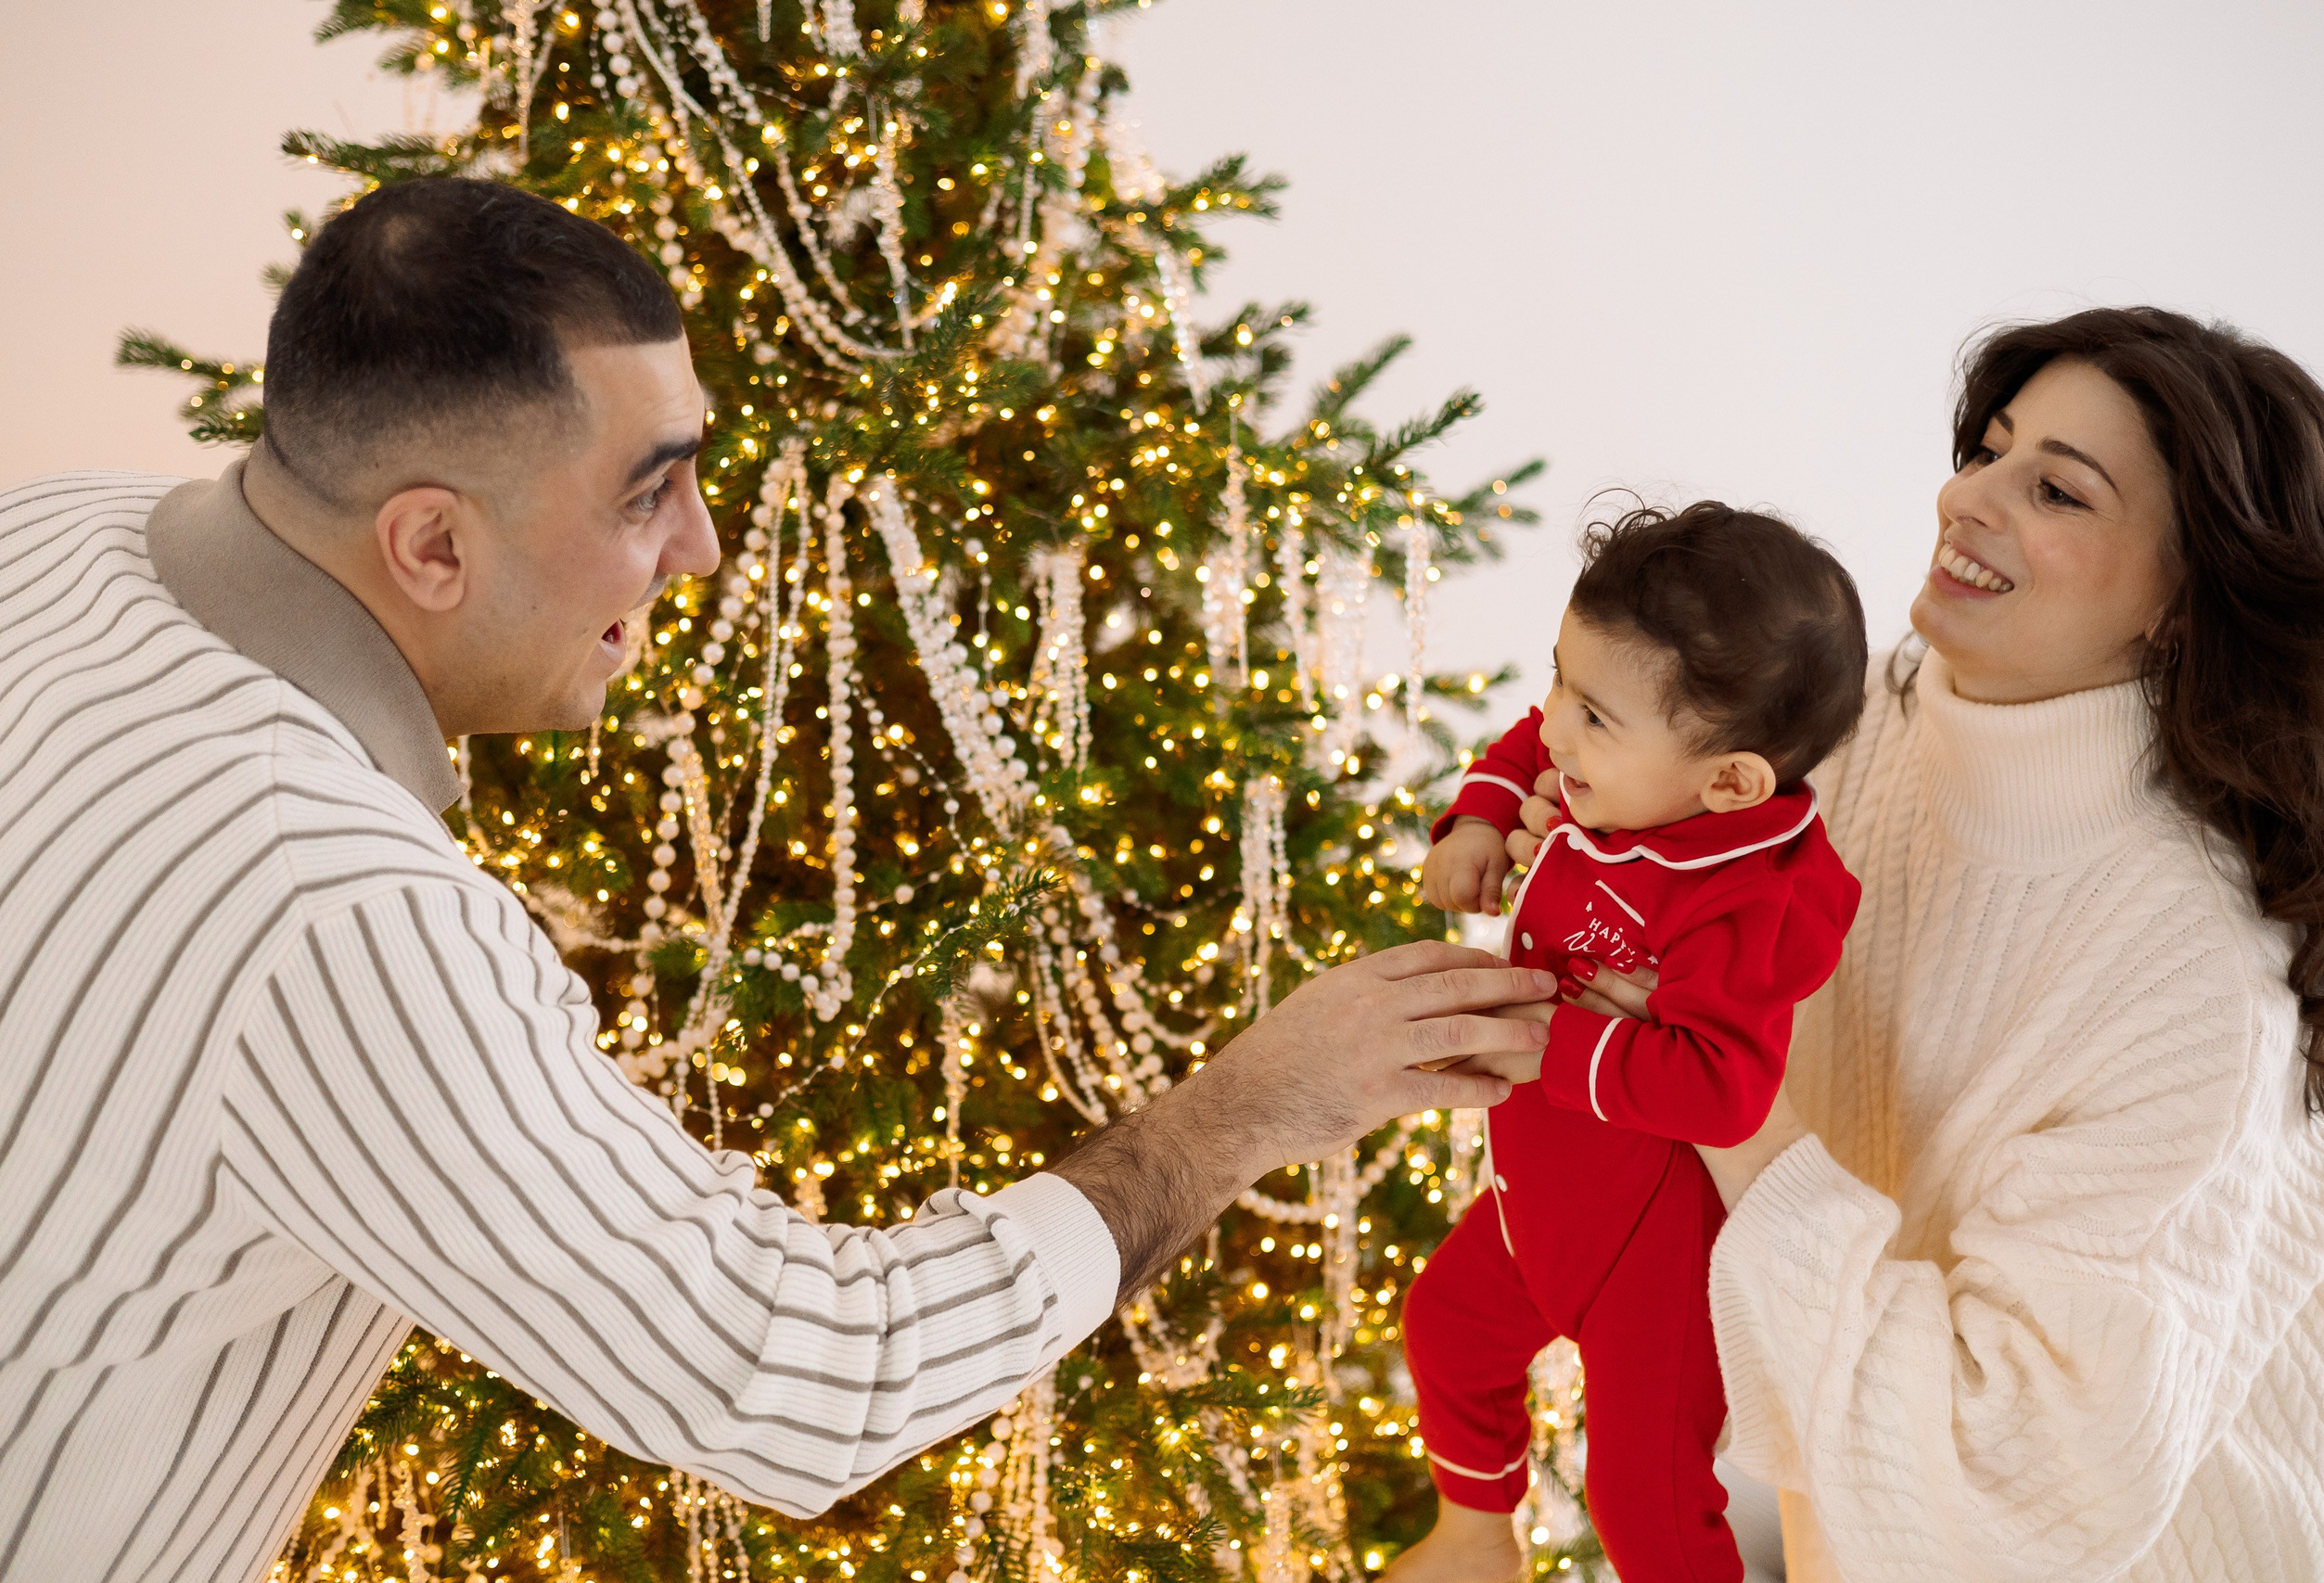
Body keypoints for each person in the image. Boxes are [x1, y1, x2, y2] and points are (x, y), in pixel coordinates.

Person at [0, 176, 1556, 1583]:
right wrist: (1245, 1111)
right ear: (430, 547)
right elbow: (808, 1374)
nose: (702, 548)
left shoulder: (49, 532)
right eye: (646, 491)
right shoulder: (341, 917)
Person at [1500, 308, 2324, 1580]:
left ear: (2184, 603)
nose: (1967, 498)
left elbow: (2015, 1481)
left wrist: (1733, 1106)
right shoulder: (1870, 728)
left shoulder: (2198, 980)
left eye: (2057, 489)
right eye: (1990, 448)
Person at [1394, 503, 1866, 1582]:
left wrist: (1546, 1044)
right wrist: (1482, 815)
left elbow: (1724, 1090)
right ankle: (1474, 1535)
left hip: (1651, 1257)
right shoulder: (1622, 770)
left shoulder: (1746, 904)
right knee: (1446, 1328)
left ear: (1730, 782)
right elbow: (1529, 740)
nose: (1556, 728)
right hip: (1542, 1200)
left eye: (1594, 715)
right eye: (1560, 679)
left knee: (1640, 1494)